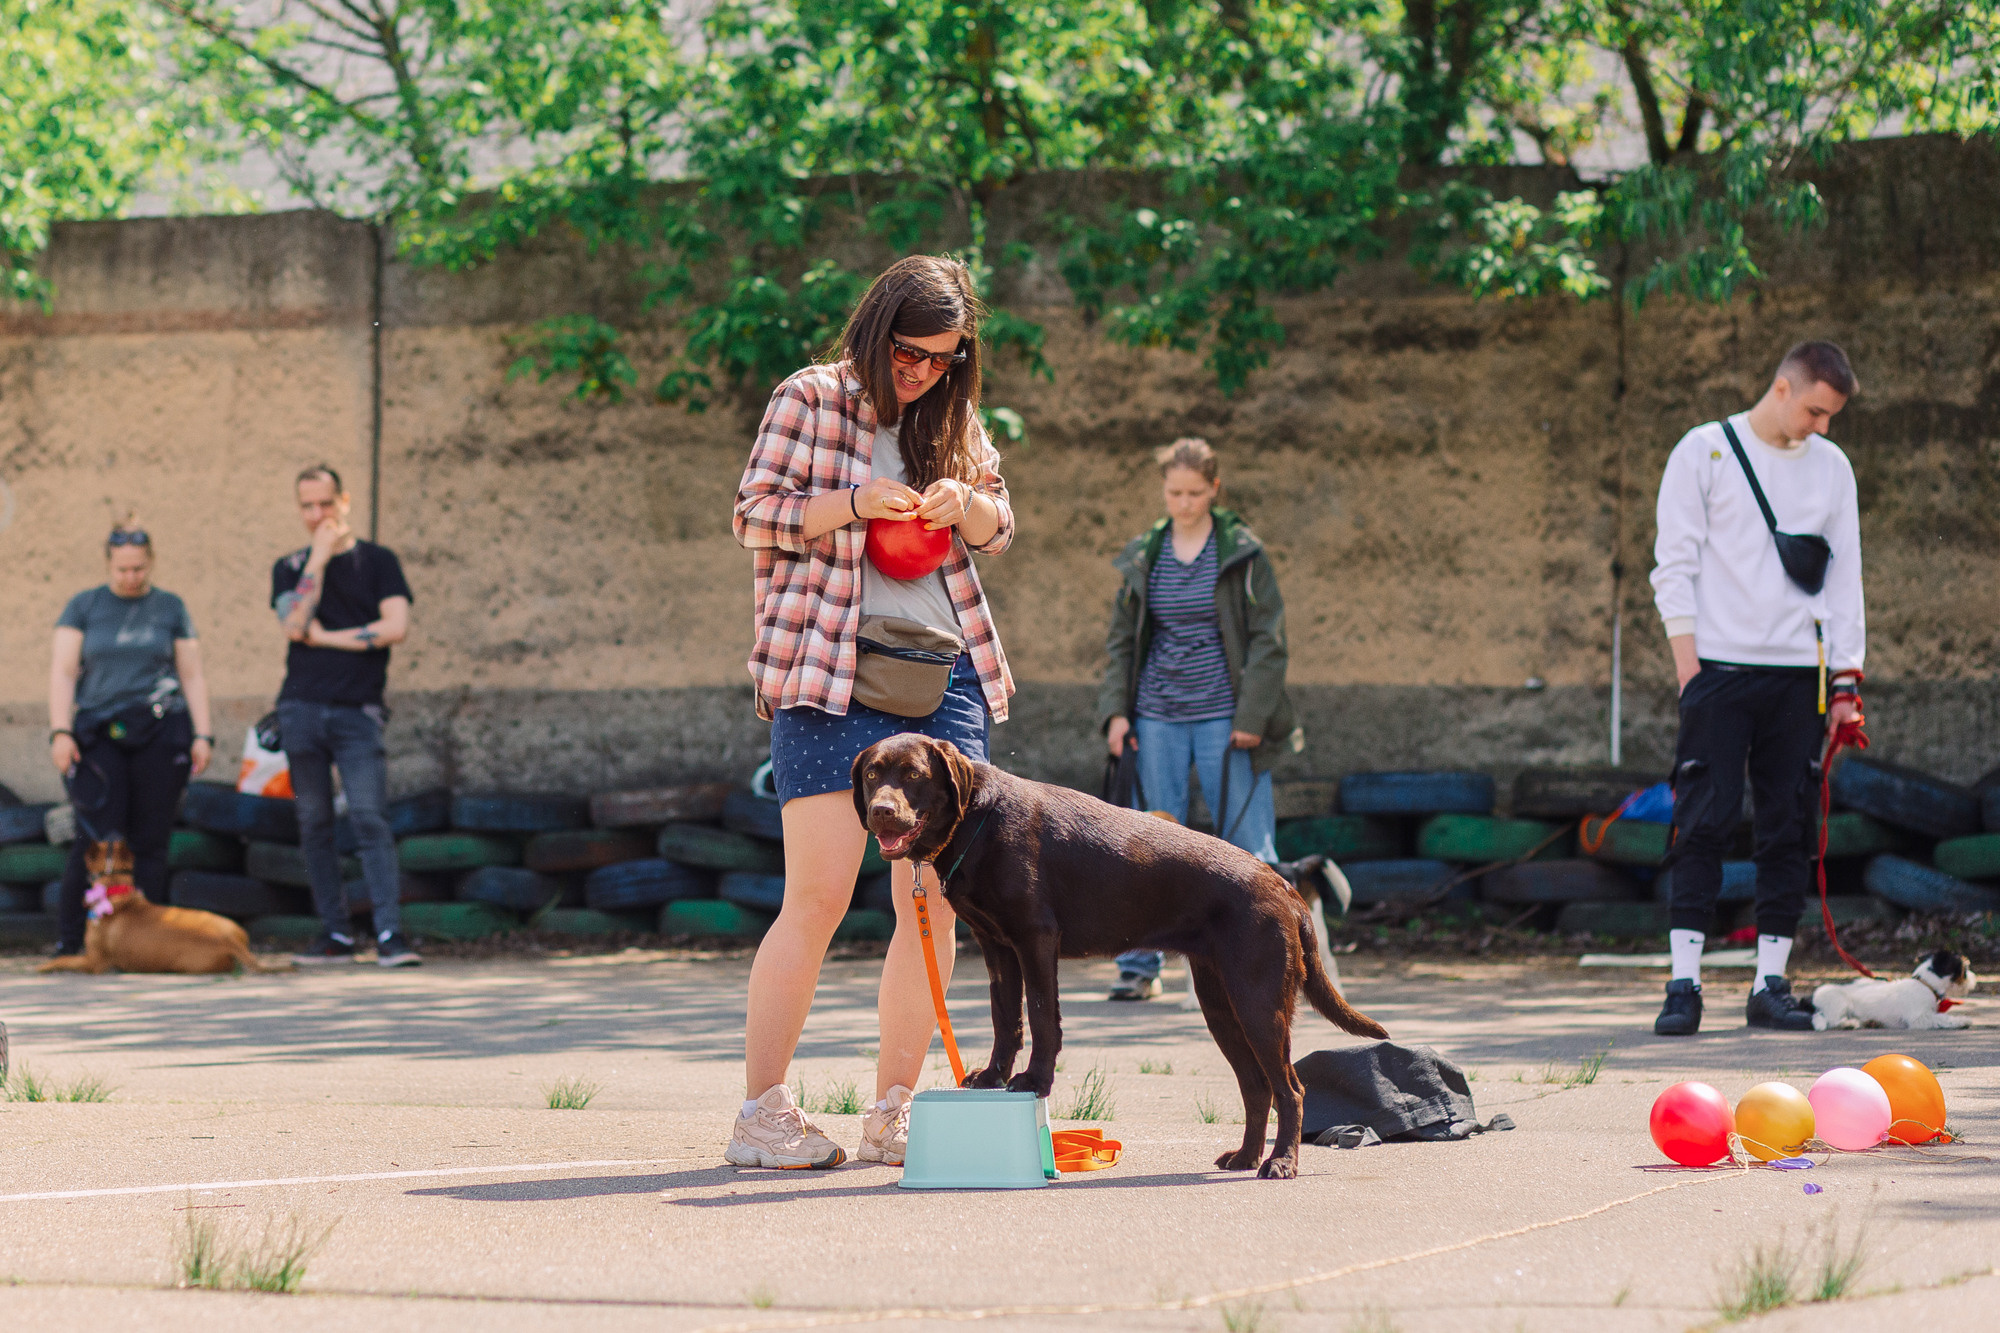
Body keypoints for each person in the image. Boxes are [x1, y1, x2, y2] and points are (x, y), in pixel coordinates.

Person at [728, 255, 1014, 1169]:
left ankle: (895, 1109)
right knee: (813, 896)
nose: (923, 370)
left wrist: (966, 503)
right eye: (910, 351)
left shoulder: (956, 418)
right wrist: (852, 501)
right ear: (877, 326)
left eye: (943, 357)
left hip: (945, 679)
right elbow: (753, 517)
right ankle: (762, 1113)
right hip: (829, 672)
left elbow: (999, 529)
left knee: (930, 904)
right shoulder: (811, 398)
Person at [1649, 340, 1864, 1035]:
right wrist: (1691, 671)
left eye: (1830, 415)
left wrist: (1847, 681)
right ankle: (1684, 984)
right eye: (1814, 410)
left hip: (1800, 676)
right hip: (1716, 669)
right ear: (1781, 388)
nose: (1821, 426)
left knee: (1788, 826)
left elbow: (1846, 578)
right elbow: (1672, 565)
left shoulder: (1832, 468)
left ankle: (1770, 982)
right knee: (1701, 822)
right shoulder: (1703, 451)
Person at [1096, 437, 1299, 1000]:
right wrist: (1116, 713)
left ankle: (1266, 965)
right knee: (1148, 845)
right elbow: (1121, 644)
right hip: (1156, 715)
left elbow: (1269, 641)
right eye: (1173, 492)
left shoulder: (1243, 554)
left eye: (1193, 492)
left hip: (1226, 719)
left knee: (1247, 844)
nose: (1182, 502)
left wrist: (1252, 713)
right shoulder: (1146, 554)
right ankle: (1140, 968)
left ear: (1214, 489)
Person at [272, 464, 417, 968]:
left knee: (369, 817)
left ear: (345, 501)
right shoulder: (289, 566)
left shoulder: (378, 562)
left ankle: (389, 935)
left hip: (358, 713)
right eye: (307, 506)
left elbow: (395, 627)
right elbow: (294, 624)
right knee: (313, 822)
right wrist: (317, 556)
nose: (317, 515)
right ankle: (335, 934)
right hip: (301, 709)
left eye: (325, 504)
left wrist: (331, 638)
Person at [47, 522, 215, 956]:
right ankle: (74, 942)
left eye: (138, 569)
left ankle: (148, 944)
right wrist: (60, 730)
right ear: (109, 564)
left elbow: (191, 673)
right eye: (122, 569)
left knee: (150, 840)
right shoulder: (84, 607)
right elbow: (64, 672)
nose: (130, 577)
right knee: (98, 839)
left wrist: (203, 733)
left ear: (151, 563)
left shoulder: (170, 607)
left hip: (161, 729)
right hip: (99, 732)